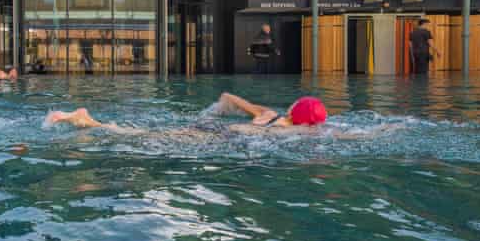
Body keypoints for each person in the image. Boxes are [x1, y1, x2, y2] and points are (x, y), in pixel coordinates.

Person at [46, 92, 328, 136]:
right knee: (143, 137)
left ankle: (90, 121)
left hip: (217, 130)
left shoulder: (268, 114)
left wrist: (218, 110)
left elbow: (227, 97)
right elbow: (345, 136)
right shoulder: (298, 131)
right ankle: (88, 121)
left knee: (150, 133)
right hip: (220, 139)